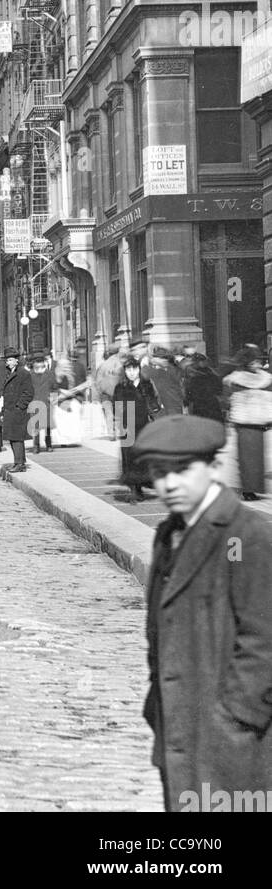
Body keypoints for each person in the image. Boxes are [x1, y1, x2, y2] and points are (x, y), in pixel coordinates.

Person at [132, 415, 272, 812]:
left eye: (183, 470)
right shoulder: (169, 533)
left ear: (212, 468)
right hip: (178, 726)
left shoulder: (242, 537)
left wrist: (236, 717)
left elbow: (265, 638)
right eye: (159, 473)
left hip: (231, 740)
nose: (170, 484)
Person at [223, 345, 272, 502]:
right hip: (245, 422)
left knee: (256, 459)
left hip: (258, 421)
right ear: (247, 363)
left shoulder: (264, 378)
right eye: (254, 362)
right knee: (247, 459)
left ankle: (253, 488)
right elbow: (228, 401)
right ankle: (248, 490)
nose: (257, 364)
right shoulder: (237, 380)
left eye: (258, 361)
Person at [112, 354, 161, 503]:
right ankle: (134, 489)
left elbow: (154, 403)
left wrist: (153, 412)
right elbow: (118, 407)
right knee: (129, 457)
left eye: (134, 369)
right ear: (125, 371)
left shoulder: (146, 384)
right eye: (128, 369)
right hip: (127, 425)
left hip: (143, 424)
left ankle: (140, 487)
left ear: (139, 369)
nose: (131, 372)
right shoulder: (121, 386)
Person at [0, 348, 34, 473]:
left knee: (17, 437)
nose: (7, 362)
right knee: (12, 438)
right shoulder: (10, 372)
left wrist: (19, 406)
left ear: (16, 360)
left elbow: (29, 393)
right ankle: (18, 462)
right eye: (7, 360)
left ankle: (20, 463)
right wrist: (4, 410)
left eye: (9, 360)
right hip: (10, 410)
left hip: (18, 411)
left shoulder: (23, 373)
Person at [29, 353, 59, 454]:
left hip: (47, 402)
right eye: (36, 364)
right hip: (34, 402)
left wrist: (54, 399)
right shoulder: (30, 375)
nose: (38, 366)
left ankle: (49, 444)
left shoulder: (50, 374)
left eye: (40, 364)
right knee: (35, 426)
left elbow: (55, 387)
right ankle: (36, 445)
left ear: (43, 364)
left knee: (48, 425)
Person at [143, 345, 185, 417]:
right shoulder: (171, 369)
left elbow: (146, 373)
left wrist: (145, 363)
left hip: (171, 406)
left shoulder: (166, 371)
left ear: (164, 359)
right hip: (170, 405)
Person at [182, 353, 225, 424]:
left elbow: (188, 392)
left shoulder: (191, 375)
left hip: (199, 406)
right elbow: (219, 390)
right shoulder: (212, 374)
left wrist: (187, 400)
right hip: (212, 404)